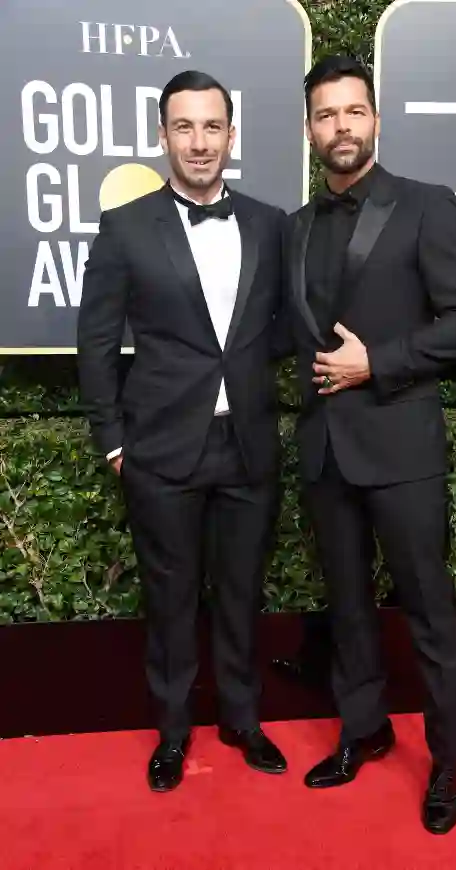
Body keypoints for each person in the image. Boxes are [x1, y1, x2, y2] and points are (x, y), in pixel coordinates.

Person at [283, 55, 456, 834]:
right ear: (310, 129)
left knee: (430, 615)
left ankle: (446, 761)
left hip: (403, 446)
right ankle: (363, 729)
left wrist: (380, 361)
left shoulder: (427, 207)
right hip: (327, 451)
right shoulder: (295, 228)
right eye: (327, 114)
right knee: (348, 610)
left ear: (375, 119)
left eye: (354, 111)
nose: (342, 126)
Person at [77, 70, 287, 792]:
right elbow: (96, 343)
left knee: (240, 592)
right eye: (184, 127)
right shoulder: (125, 226)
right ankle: (172, 732)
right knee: (169, 598)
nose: (199, 143)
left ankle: (241, 717)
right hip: (162, 450)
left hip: (249, 445)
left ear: (231, 134)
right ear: (162, 135)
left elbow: (287, 330)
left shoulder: (270, 224)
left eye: (211, 127)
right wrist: (112, 440)